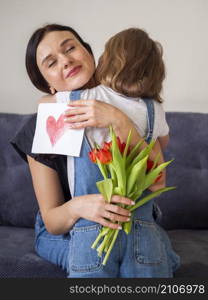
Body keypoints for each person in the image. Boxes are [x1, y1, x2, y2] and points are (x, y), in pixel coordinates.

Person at [11, 24, 180, 278]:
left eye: (70, 48)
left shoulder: (131, 104)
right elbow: (53, 222)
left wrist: (118, 120)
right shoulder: (45, 125)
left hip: (128, 223)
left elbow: (157, 181)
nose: (66, 61)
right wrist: (81, 206)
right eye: (51, 62)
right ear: (48, 85)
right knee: (97, 258)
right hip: (68, 226)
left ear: (90, 54)